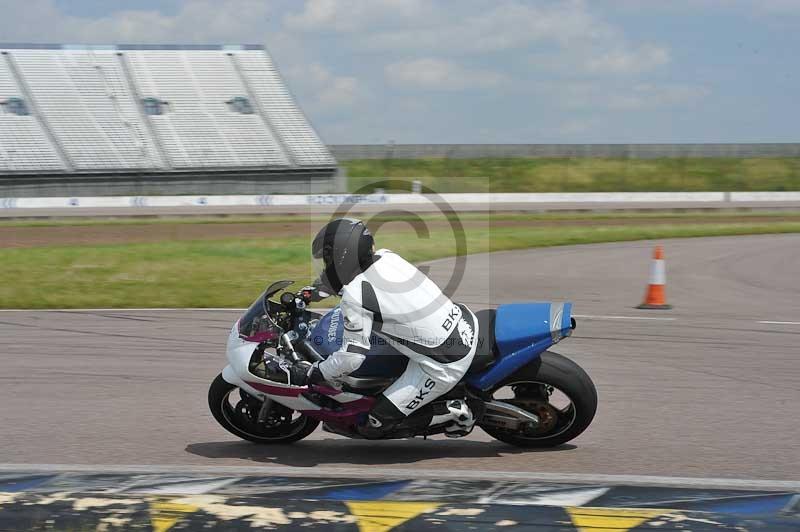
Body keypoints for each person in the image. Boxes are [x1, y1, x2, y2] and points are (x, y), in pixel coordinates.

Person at [288, 218, 478, 438]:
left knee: (374, 423)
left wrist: (316, 371)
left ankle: (454, 412)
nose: (327, 265)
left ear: (342, 255)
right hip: (463, 323)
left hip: (444, 364)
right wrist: (311, 293)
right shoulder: (387, 258)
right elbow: (345, 280)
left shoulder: (355, 296)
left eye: (328, 259)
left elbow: (352, 358)